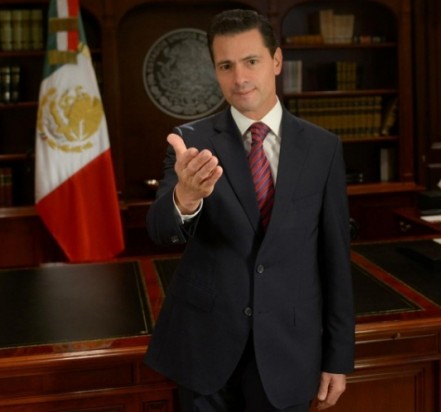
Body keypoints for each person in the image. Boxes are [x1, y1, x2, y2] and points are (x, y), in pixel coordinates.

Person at [145, 9, 355, 412]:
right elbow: (159, 230)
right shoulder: (190, 142)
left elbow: (334, 259)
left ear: (276, 60)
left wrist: (338, 356)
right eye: (226, 66)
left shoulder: (323, 148)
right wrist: (185, 198)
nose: (239, 78)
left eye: (251, 61)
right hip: (205, 350)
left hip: (289, 351)